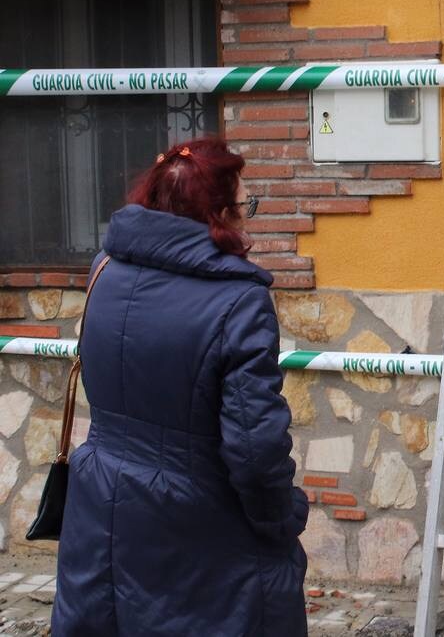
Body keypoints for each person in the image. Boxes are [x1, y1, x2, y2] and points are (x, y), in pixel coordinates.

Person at [52, 137, 309, 636]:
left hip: (102, 505)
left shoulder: (103, 269)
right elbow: (255, 448)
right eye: (242, 204)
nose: (244, 217)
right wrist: (282, 519)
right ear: (219, 212)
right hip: (199, 524)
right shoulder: (239, 300)